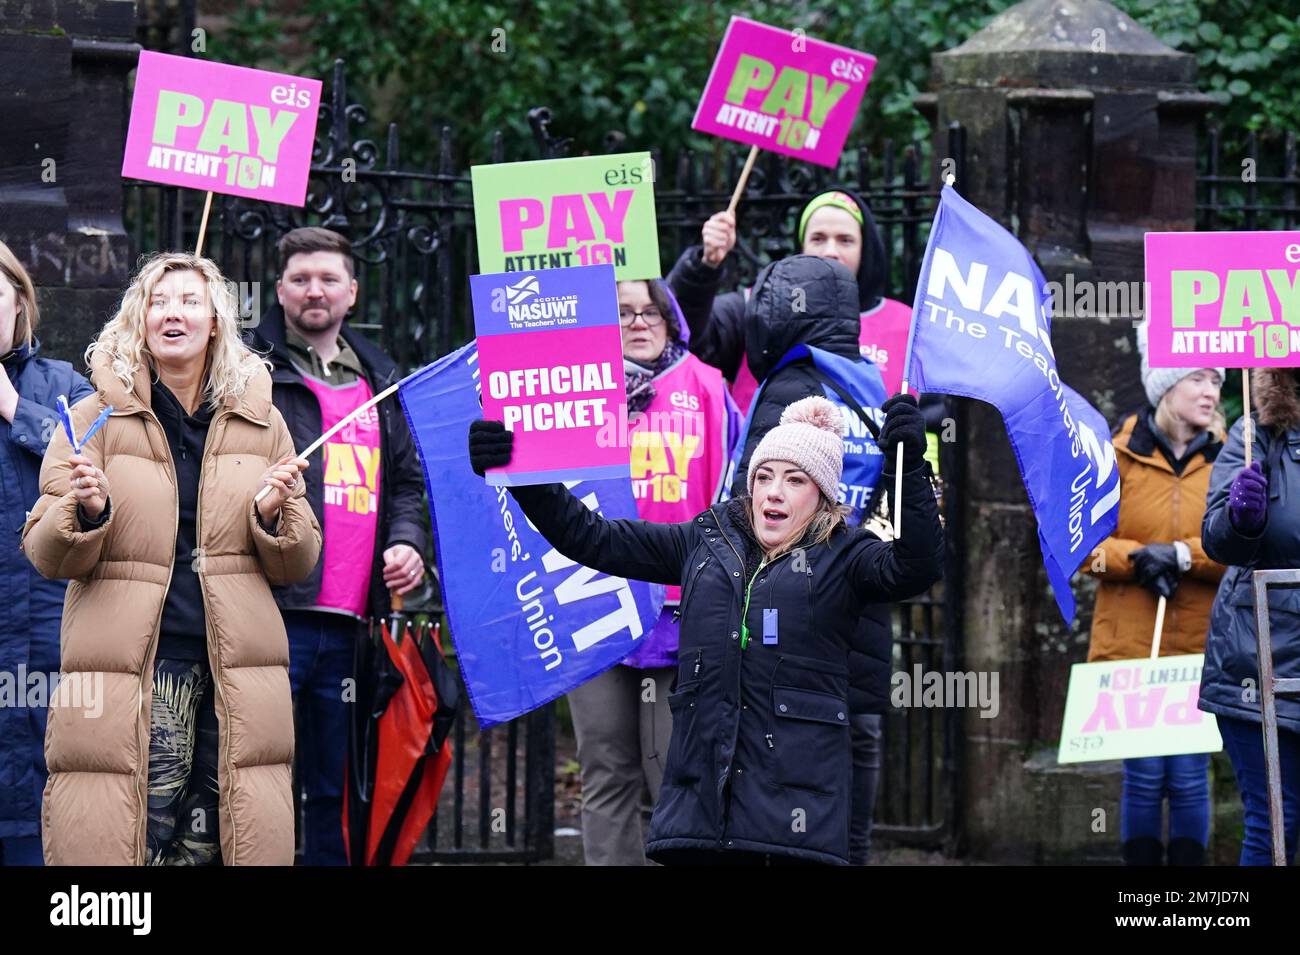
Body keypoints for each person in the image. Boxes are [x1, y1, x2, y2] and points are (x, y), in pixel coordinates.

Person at [468, 391, 943, 865]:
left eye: (795, 480)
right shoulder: (705, 538)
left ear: (820, 495)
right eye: (764, 477)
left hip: (794, 825)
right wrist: (523, 477)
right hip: (700, 820)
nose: (773, 492)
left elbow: (916, 566)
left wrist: (910, 468)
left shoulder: (847, 555)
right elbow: (593, 538)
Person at [22, 252, 321, 865]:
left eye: (189, 301)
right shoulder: (90, 421)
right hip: (133, 667)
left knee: (217, 846)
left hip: (236, 668)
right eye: (157, 302)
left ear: (216, 321)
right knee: (134, 847)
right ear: (139, 320)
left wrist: (272, 517)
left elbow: (299, 564)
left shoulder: (263, 424)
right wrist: (87, 510)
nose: (172, 313)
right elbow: (44, 553)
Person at [250, 226, 430, 865]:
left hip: (356, 621)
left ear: (352, 291)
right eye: (300, 279)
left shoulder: (382, 379)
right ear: (279, 290)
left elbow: (408, 483)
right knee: (257, 779)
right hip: (272, 613)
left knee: (336, 787)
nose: (314, 291)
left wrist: (408, 543)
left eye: (328, 278)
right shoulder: (250, 369)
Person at [566, 277, 738, 865]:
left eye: (650, 312)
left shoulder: (709, 389)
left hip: (679, 611)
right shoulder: (572, 392)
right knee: (605, 770)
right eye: (621, 313)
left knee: (673, 773)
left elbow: (733, 492)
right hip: (594, 607)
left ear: (670, 321)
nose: (638, 323)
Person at [1082, 325, 1226, 866]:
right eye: (1197, 377)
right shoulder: (1113, 456)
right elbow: (1083, 547)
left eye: (1216, 379)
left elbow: (1243, 545)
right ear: (1166, 386)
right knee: (1142, 778)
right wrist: (1138, 560)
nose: (1211, 390)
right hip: (1131, 647)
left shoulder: (1228, 463)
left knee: (1190, 777)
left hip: (1198, 647)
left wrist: (1185, 556)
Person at [0, 240, 94, 866]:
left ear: (19, 306)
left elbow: (99, 471)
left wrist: (14, 410)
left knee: (38, 807)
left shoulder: (65, 385)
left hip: (43, 637)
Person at [667, 187, 918, 411]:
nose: (831, 251)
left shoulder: (904, 325)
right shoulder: (755, 308)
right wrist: (704, 265)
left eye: (845, 240)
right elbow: (683, 334)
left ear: (865, 250)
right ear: (801, 247)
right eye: (818, 238)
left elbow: (930, 419)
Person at [1199, 366, 1300, 865]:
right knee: (1276, 826)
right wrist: (1241, 519)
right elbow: (1216, 540)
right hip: (1259, 656)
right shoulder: (1255, 434)